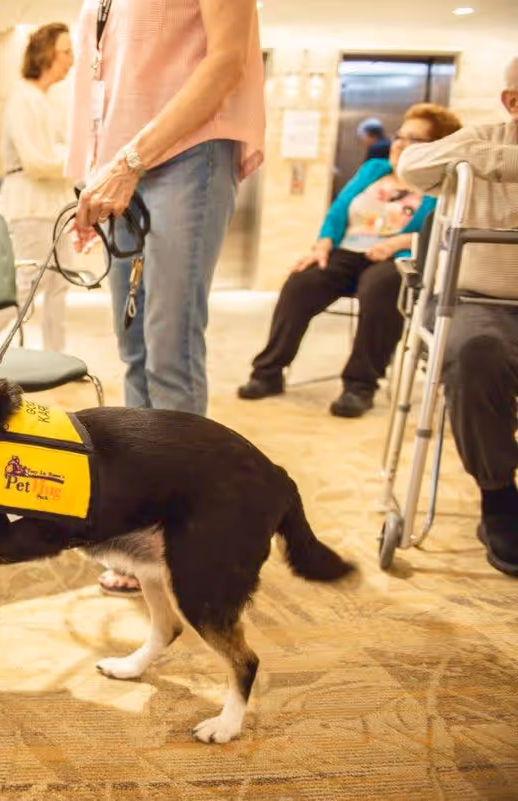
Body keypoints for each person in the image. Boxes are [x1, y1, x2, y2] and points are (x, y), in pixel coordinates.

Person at [67, 0, 265, 595]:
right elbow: (104, 87)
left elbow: (226, 61)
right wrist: (92, 177)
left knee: (169, 345)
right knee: (133, 347)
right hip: (120, 168)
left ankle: (188, 528)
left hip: (185, 155)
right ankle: (143, 517)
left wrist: (128, 160)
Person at [238, 103, 463, 418]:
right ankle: (268, 372)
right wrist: (322, 243)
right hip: (347, 252)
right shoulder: (374, 170)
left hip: (395, 260)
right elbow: (339, 210)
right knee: (301, 282)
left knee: (381, 289)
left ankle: (360, 386)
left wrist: (401, 241)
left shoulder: (443, 190)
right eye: (400, 135)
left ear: (436, 147)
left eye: (414, 139)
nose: (399, 143)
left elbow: (443, 234)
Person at [397, 57, 518, 578]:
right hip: (477, 301)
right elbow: (410, 166)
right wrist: (488, 155)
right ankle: (498, 497)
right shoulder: (478, 140)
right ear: (513, 103)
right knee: (474, 353)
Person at [0, 23, 76, 354]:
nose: (72, 60)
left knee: (60, 284)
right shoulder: (24, 99)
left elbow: (54, 156)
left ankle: (58, 357)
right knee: (27, 288)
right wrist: (78, 161)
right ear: (45, 53)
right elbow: (37, 162)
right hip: (30, 206)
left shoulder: (47, 100)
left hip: (55, 206)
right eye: (66, 52)